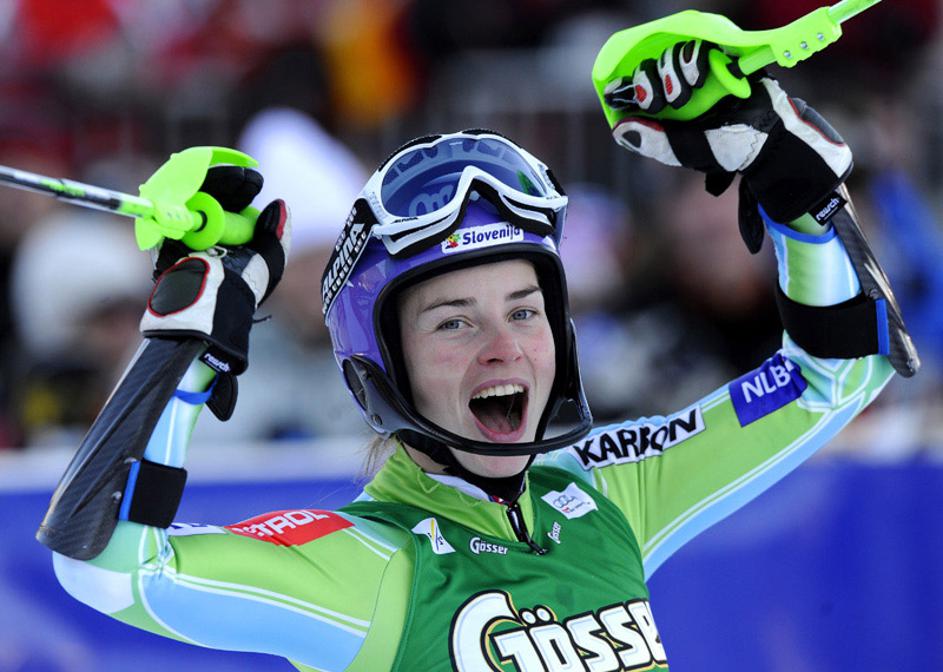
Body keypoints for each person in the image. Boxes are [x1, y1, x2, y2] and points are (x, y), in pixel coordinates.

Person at [42, 41, 917, 671]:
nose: (504, 348)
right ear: (381, 367)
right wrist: (186, 336)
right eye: (452, 322)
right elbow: (109, 570)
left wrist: (796, 193)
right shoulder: (366, 567)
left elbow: (832, 373)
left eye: (525, 311)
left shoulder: (607, 492)